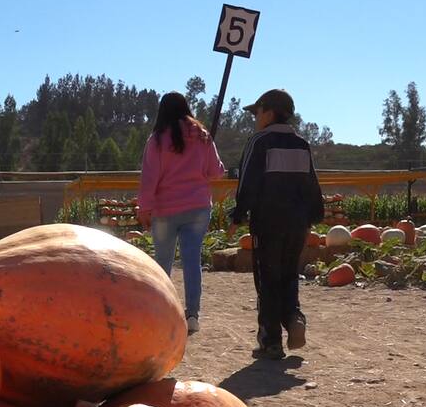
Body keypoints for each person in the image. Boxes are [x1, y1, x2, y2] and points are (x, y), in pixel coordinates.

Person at [227, 89, 324, 360]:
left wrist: (238, 215)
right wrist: (314, 216)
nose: (255, 118)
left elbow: (248, 182)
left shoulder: (260, 142)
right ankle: (293, 316)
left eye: (256, 112)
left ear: (268, 112)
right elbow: (312, 183)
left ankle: (270, 340)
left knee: (267, 277)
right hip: (297, 222)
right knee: (289, 273)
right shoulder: (302, 144)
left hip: (268, 221)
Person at [137, 92, 225, 335]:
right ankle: (193, 314)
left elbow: (149, 178)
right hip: (197, 207)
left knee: (162, 262)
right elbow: (216, 171)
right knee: (191, 261)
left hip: (165, 209)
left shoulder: (156, 140)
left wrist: (144, 208)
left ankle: (162, 312)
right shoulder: (202, 135)